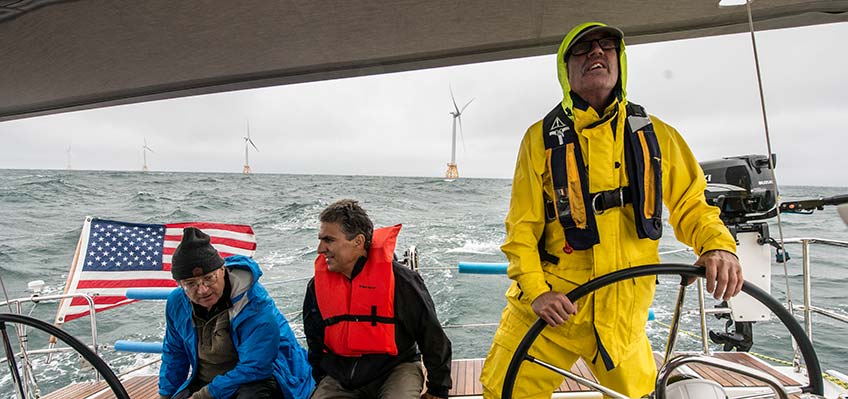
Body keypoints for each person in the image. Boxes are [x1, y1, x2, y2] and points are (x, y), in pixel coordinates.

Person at [479, 22, 743, 398]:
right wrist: (537, 292)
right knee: (502, 393)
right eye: (584, 49)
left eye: (607, 46)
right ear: (565, 69)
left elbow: (692, 205)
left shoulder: (659, 136)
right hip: (551, 313)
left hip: (623, 319)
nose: (597, 53)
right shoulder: (538, 140)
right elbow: (521, 228)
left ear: (621, 62)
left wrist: (717, 245)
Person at [303, 199, 452, 398]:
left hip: (396, 369)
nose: (320, 249)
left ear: (358, 241)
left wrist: (438, 389)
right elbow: (315, 342)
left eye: (329, 240)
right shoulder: (317, 287)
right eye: (320, 239)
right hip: (341, 375)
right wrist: (323, 379)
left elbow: (431, 336)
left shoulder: (401, 281)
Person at [158, 227, 314, 399]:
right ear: (180, 284)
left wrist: (204, 395)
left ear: (223, 270)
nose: (202, 290)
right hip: (211, 380)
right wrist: (166, 395)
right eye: (191, 283)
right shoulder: (177, 303)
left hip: (263, 376)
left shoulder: (254, 304)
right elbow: (174, 353)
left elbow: (256, 367)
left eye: (209, 278)